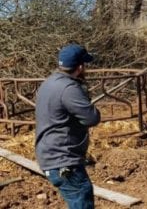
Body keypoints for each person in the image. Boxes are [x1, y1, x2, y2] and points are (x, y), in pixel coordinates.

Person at [35, 44, 100, 209]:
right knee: (81, 198)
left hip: (50, 154)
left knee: (79, 196)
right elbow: (92, 118)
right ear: (79, 67)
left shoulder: (48, 82)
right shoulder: (69, 88)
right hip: (63, 158)